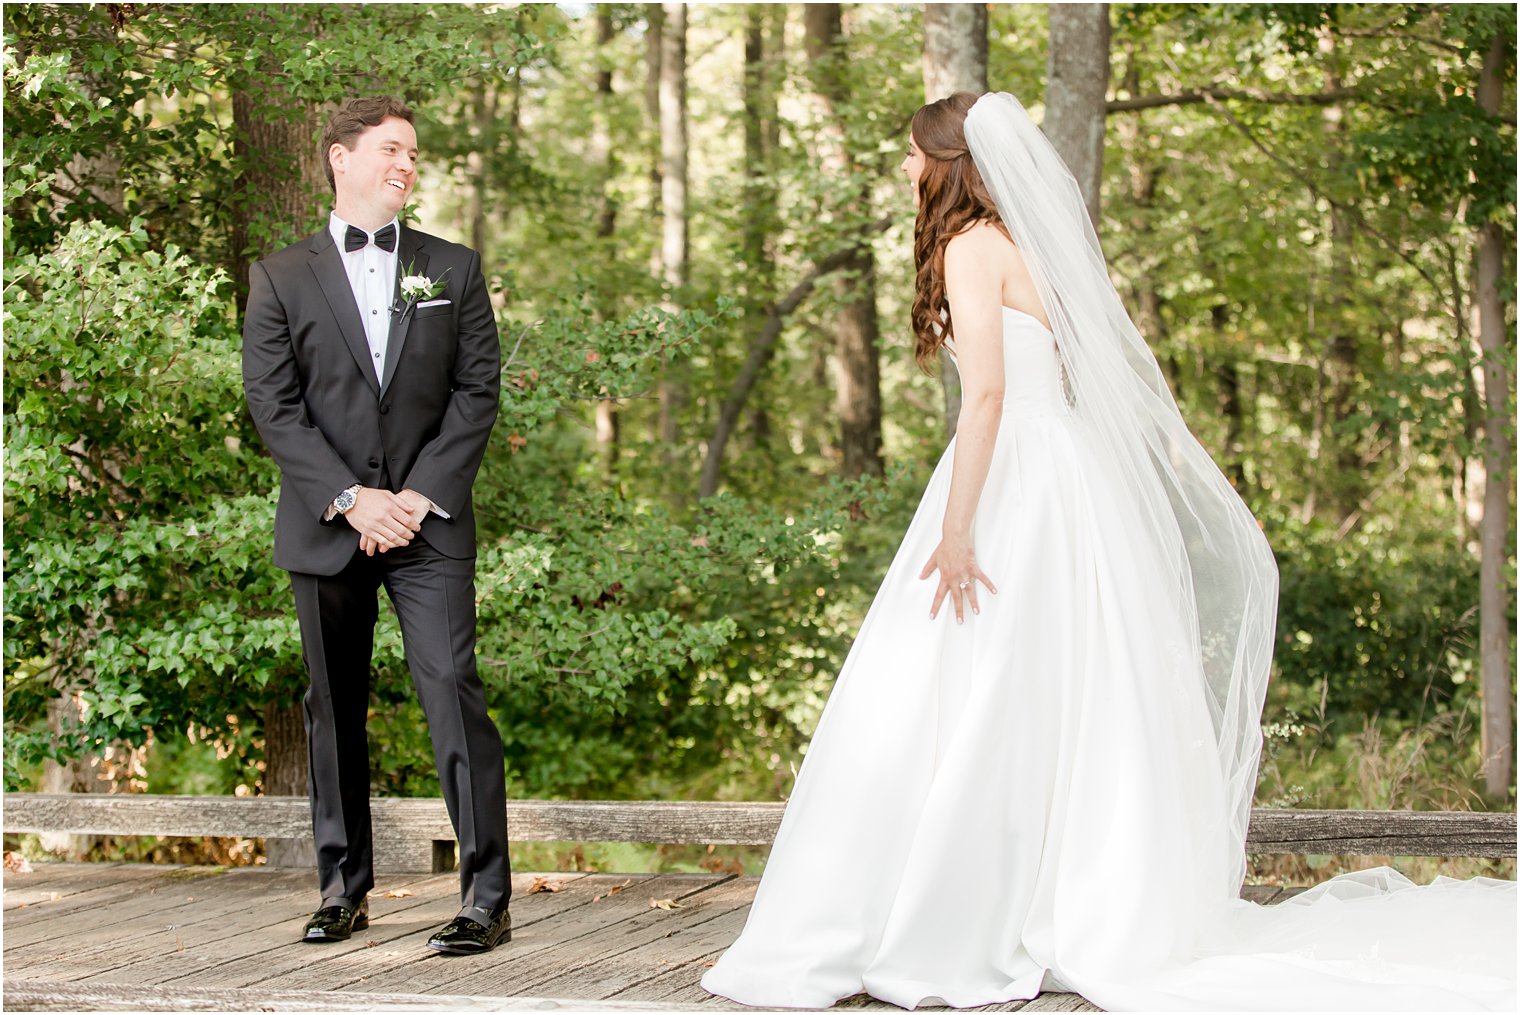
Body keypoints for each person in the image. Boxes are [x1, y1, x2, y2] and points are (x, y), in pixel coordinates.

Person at [701, 91, 1515, 1011]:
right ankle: (1061, 894)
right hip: (1069, 480)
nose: (903, 168)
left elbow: (988, 400)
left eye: (912, 154)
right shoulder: (1035, 247)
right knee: (1062, 685)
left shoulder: (969, 248)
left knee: (976, 681)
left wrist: (958, 530)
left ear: (947, 163)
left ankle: (955, 910)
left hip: (1011, 478)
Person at [242, 96, 512, 955]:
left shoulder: (453, 268)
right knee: (333, 707)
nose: (406, 164)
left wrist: (414, 497)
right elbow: (273, 404)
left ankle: (485, 898)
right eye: (391, 149)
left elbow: (477, 392)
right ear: (339, 157)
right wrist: (352, 498)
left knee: (452, 692)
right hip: (327, 525)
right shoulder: (280, 276)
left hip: (428, 525)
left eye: (414, 154)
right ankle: (341, 889)